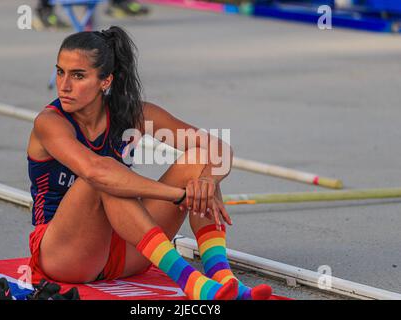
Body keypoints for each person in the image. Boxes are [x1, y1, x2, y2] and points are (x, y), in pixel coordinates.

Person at [26, 26, 272, 300]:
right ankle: (191, 282)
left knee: (200, 163)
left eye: (78, 75)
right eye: (60, 72)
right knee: (102, 177)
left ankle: (223, 277)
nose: (64, 85)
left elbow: (217, 148)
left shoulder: (133, 113)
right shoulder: (49, 122)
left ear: (105, 81)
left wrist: (207, 182)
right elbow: (96, 171)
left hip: (125, 250)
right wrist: (179, 195)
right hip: (65, 256)